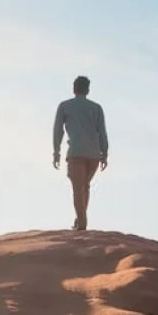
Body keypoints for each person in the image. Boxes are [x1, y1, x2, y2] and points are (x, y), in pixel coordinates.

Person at [51, 75, 109, 231]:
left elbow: (58, 131)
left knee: (78, 189)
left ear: (73, 88)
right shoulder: (96, 108)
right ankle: (79, 220)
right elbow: (102, 132)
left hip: (76, 151)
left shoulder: (65, 106)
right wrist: (105, 153)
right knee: (85, 187)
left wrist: (56, 152)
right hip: (94, 154)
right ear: (88, 90)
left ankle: (81, 224)